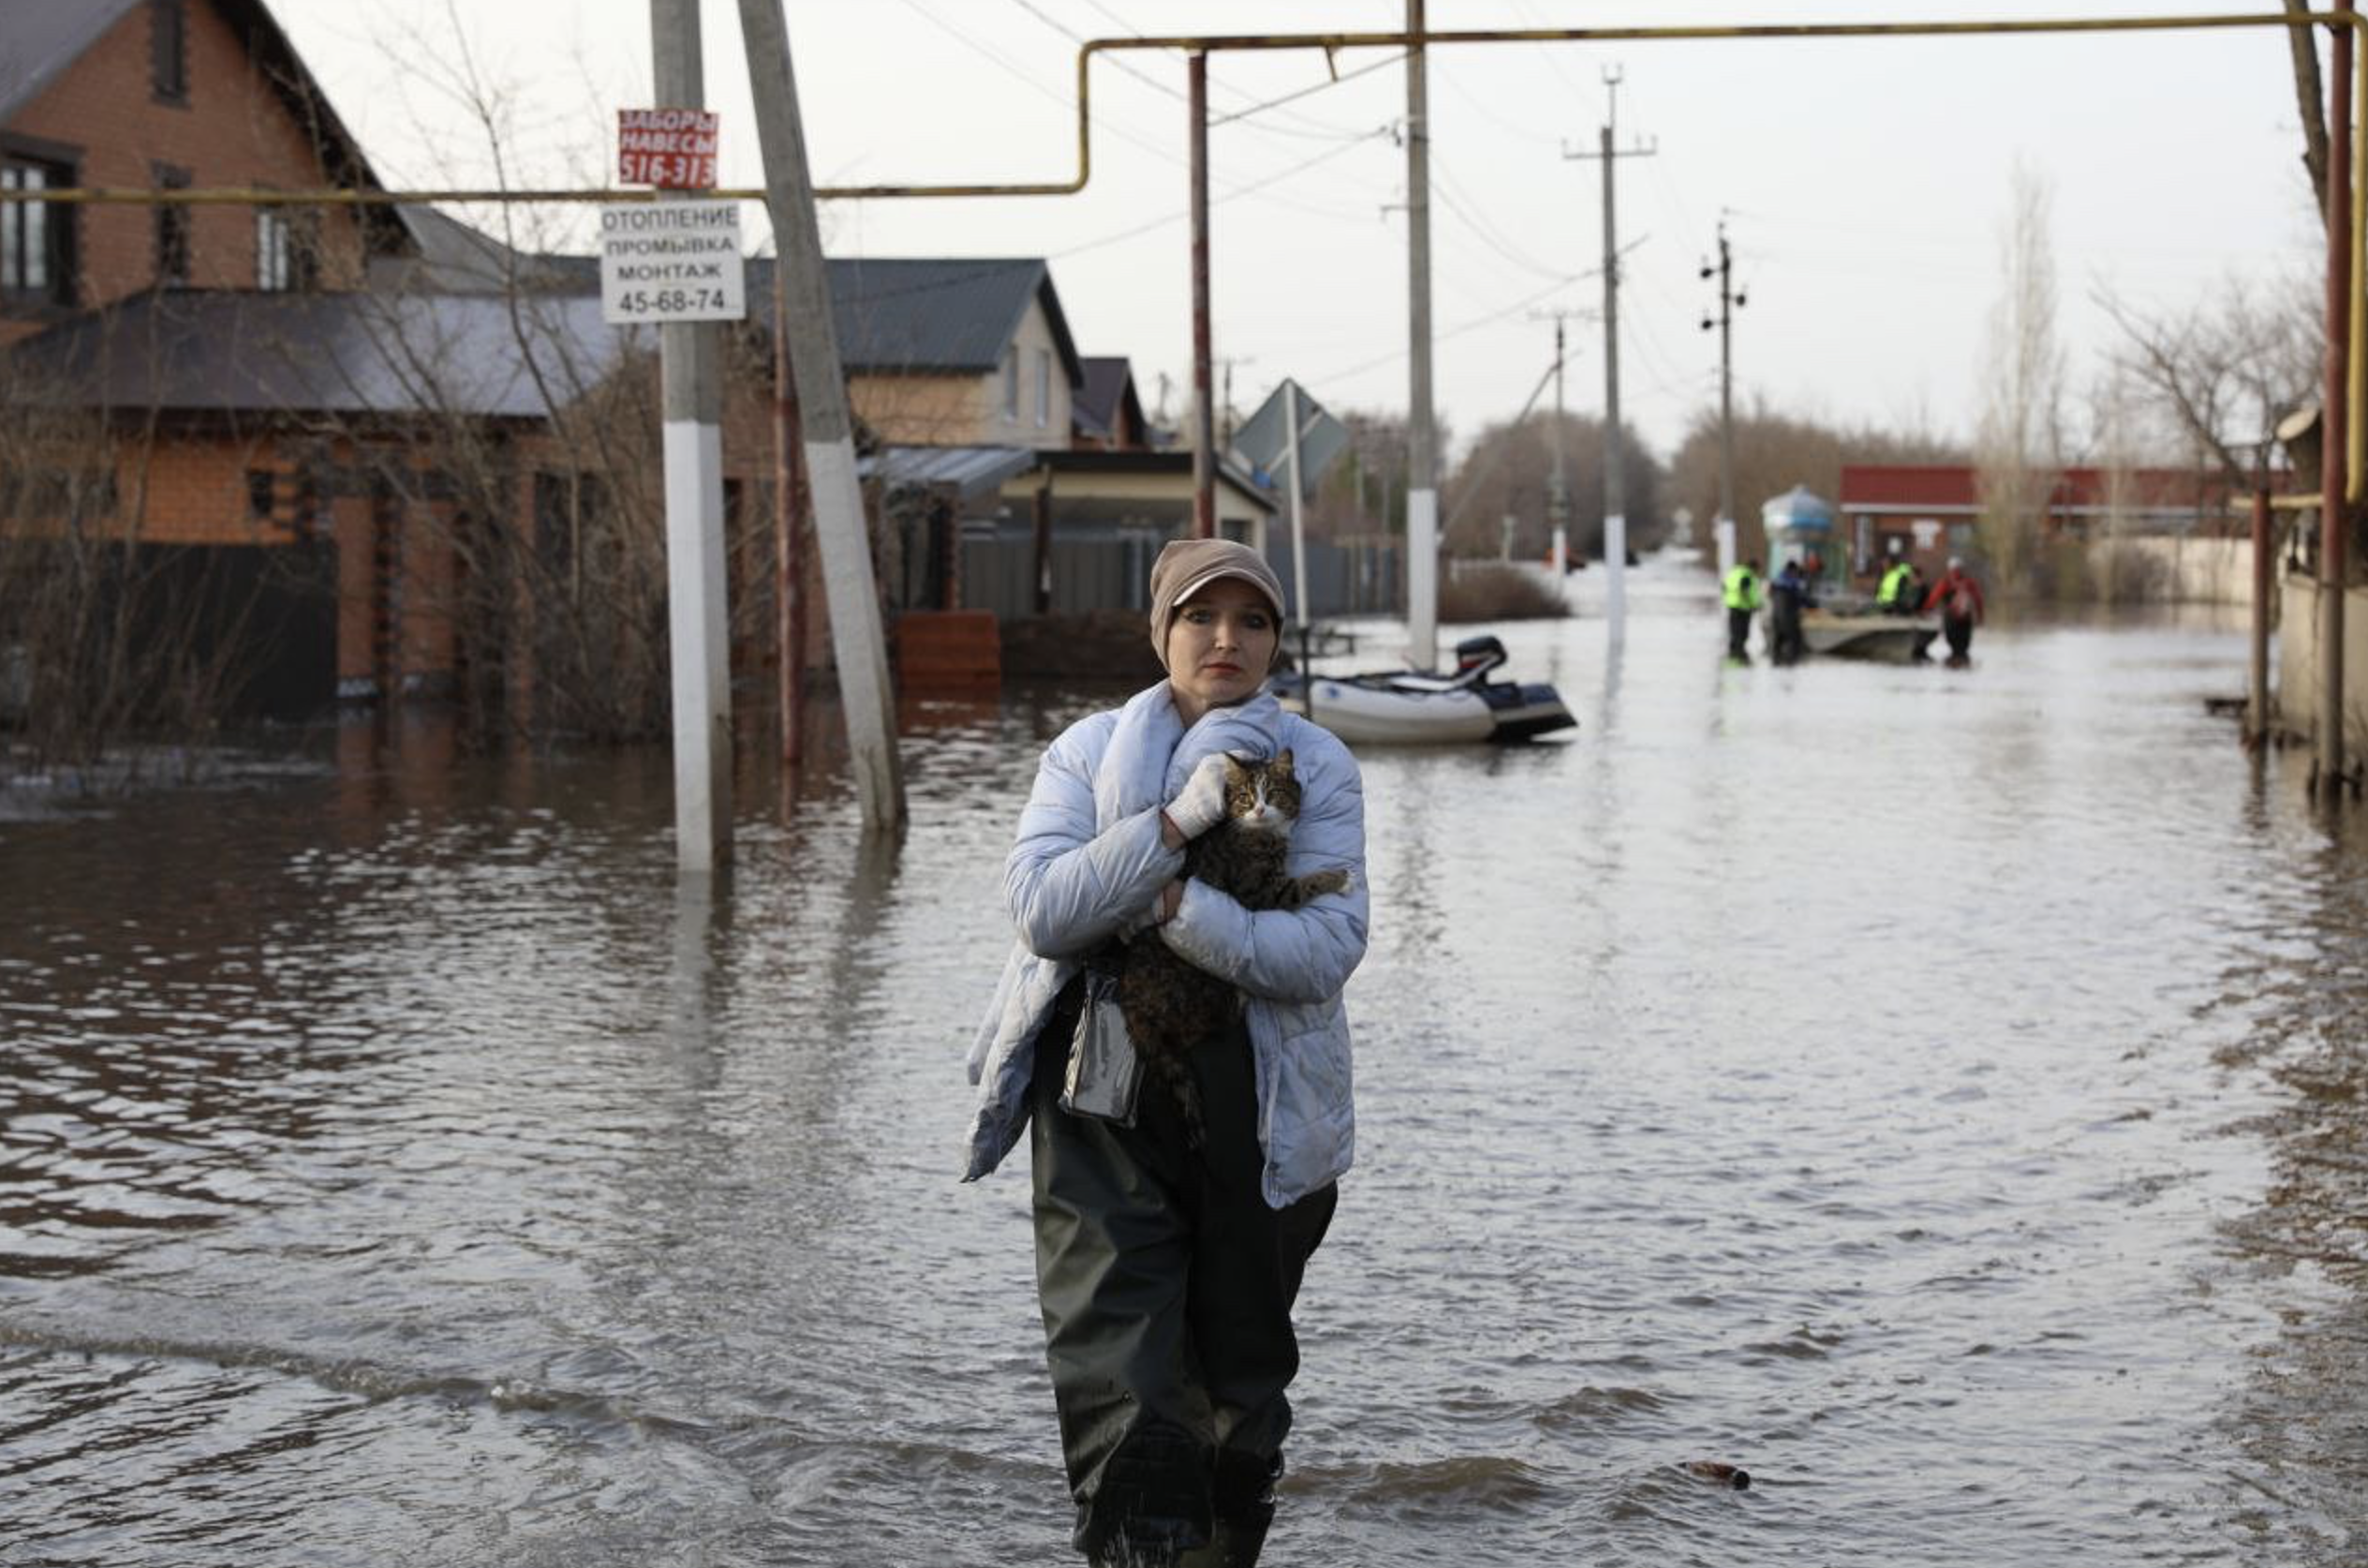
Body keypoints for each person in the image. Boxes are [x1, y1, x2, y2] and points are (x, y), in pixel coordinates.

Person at [966, 537, 1369, 1567]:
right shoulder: (1085, 752)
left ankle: (1226, 1543)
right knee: (1124, 1381)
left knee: (1239, 1382)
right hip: (1099, 1087)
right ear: (1162, 632)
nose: (1225, 638)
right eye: (1200, 616)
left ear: (1275, 640)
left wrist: (1176, 910)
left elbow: (1325, 948)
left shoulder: (1316, 765)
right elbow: (1043, 912)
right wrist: (1181, 820)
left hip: (1263, 1095)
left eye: (1251, 620)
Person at [1921, 555, 1987, 664]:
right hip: (1966, 619)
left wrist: (1924, 610)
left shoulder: (1946, 582)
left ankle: (1954, 661)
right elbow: (1978, 600)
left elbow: (1934, 598)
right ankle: (1963, 661)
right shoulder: (1969, 582)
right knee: (1963, 646)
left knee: (1954, 644)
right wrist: (1980, 616)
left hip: (1951, 618)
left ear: (1949, 569)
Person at [1768, 556, 1809, 665]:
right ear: (1792, 570)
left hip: (1776, 615)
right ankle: (1790, 660)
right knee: (1793, 638)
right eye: (1795, 571)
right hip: (1788, 616)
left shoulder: (1776, 580)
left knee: (1778, 638)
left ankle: (1776, 659)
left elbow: (1770, 595)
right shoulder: (1792, 582)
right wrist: (1809, 604)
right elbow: (1800, 598)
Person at [1722, 555, 1763, 659]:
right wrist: (1754, 605)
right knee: (1743, 632)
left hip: (1732, 605)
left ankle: (1733, 653)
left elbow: (1724, 586)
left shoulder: (1735, 572)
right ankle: (1740, 655)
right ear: (1753, 568)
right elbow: (1744, 591)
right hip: (1743, 607)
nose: (1757, 572)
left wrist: (1727, 599)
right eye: (1757, 570)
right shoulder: (1747, 576)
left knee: (1735, 631)